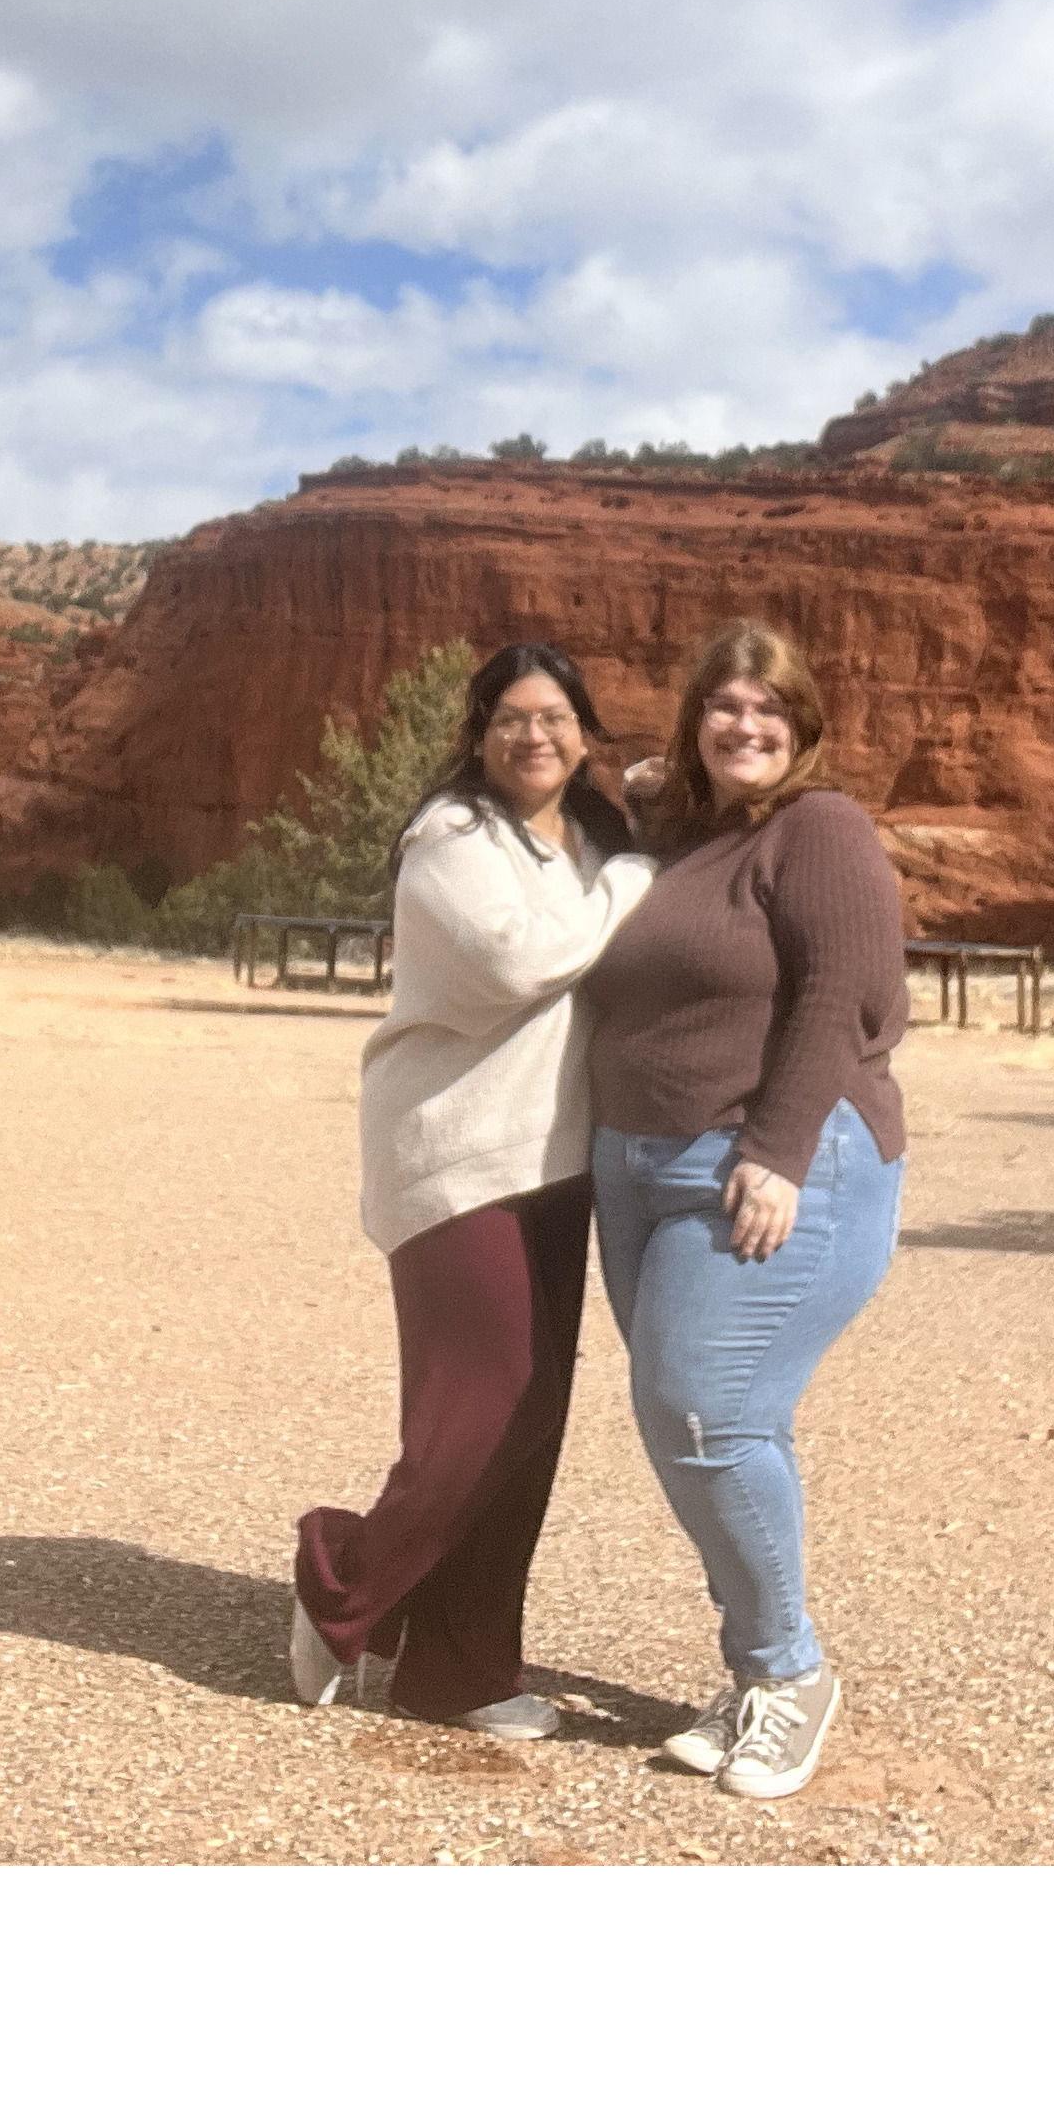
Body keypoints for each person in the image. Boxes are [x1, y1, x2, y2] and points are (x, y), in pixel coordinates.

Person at [290, 641, 653, 1735]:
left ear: (585, 732)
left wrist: (644, 828)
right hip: (454, 1153)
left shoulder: (595, 841)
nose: (532, 736)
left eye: (553, 717)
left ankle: (461, 1665)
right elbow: (511, 961)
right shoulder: (449, 840)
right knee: (483, 1400)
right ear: (478, 734)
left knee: (533, 1413)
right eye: (509, 718)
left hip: (558, 1159)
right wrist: (636, 883)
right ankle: (341, 1573)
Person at [578, 619, 906, 1805]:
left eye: (767, 708)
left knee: (709, 1410)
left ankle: (790, 1671)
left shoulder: (821, 829)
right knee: (687, 1423)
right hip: (640, 1168)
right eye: (722, 706)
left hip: (771, 1163)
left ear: (803, 725)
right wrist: (651, 781)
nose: (745, 725)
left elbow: (845, 989)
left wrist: (775, 1148)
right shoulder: (692, 845)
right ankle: (754, 1671)